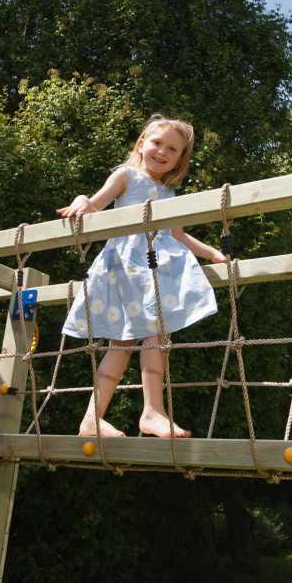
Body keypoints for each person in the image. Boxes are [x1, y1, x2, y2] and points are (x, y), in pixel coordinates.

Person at [57, 115, 225, 439]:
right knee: (127, 341)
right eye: (157, 143)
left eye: (172, 149)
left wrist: (211, 253)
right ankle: (125, 415)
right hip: (127, 265)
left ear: (180, 159)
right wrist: (81, 200)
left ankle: (134, 414)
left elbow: (178, 235)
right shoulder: (127, 176)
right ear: (142, 144)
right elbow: (94, 206)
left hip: (154, 270)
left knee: (150, 336)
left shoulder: (170, 195)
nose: (162, 151)